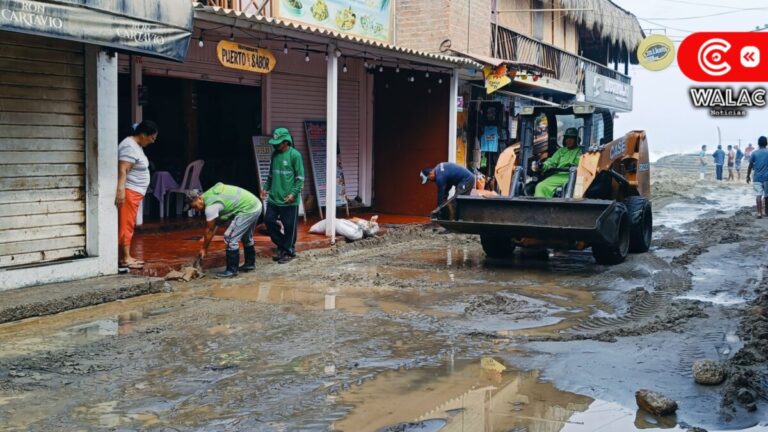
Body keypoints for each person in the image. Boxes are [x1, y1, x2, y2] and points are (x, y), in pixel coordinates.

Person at [187, 183, 262, 278]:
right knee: (246, 236)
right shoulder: (209, 195)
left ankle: (232, 270)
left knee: (230, 237)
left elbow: (210, 229)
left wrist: (204, 249)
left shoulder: (210, 207)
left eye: (195, 206)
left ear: (199, 198)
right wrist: (205, 247)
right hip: (255, 204)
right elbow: (214, 226)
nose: (196, 210)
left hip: (248, 209)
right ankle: (250, 264)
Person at [116, 121, 158, 270]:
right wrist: (121, 191)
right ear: (143, 134)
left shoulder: (136, 146)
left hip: (134, 192)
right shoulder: (129, 146)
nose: (153, 141)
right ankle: (125, 258)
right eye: (152, 137)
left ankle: (126, 256)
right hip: (129, 192)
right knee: (126, 225)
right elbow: (123, 170)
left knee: (129, 224)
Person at [261, 127, 305, 264]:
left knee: (289, 226)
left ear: (286, 142)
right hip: (274, 197)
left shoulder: (295, 155)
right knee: (268, 221)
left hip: (289, 200)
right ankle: (284, 245)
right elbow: (270, 175)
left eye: (278, 143)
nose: (275, 145)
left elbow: (300, 178)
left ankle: (288, 251)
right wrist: (265, 188)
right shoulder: (274, 155)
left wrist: (293, 194)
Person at [533, 127, 581, 197]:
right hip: (559, 175)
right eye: (567, 138)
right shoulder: (561, 151)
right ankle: (541, 207)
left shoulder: (581, 151)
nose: (568, 140)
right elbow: (551, 162)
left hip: (576, 176)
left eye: (571, 138)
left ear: (576, 140)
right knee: (541, 186)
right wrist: (543, 165)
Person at [747, 136, 768, 218]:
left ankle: (759, 213)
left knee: (758, 195)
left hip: (757, 177)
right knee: (767, 195)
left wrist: (747, 176)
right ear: (766, 143)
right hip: (767, 177)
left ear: (758, 143)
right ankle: (766, 212)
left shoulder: (754, 153)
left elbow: (750, 165)